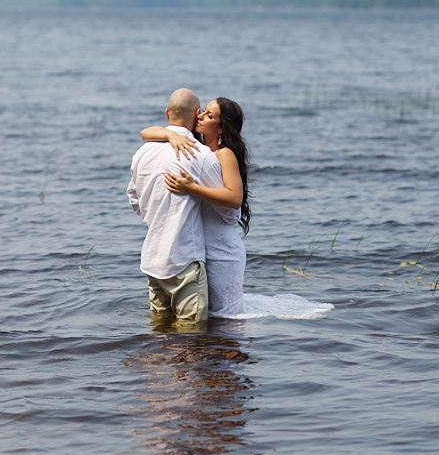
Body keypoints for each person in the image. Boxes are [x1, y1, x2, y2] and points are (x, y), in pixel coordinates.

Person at [142, 97, 335, 320]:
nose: (201, 116)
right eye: (203, 112)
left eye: (210, 115)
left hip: (221, 251)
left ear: (222, 127)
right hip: (199, 249)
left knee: (227, 319)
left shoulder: (224, 154)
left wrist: (192, 188)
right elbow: (146, 133)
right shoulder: (196, 149)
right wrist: (170, 134)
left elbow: (234, 198)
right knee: (208, 316)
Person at [127, 88, 234, 325]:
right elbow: (228, 212)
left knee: (160, 333)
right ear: (197, 114)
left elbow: (135, 201)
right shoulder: (199, 154)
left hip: (153, 259)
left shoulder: (141, 154)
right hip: (183, 258)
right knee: (191, 337)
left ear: (167, 113)